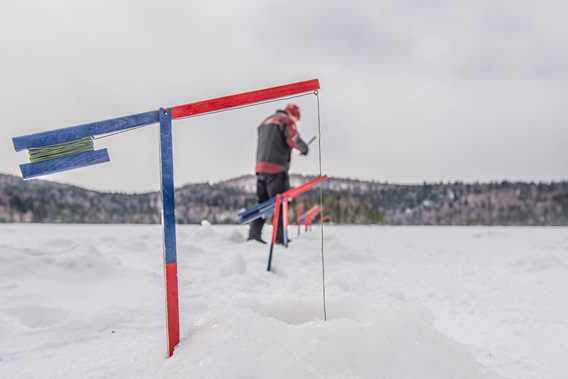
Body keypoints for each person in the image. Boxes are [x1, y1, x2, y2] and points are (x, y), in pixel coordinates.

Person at [248, 104, 309, 244]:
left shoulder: (266, 121)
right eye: (296, 119)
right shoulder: (285, 121)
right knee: (281, 204)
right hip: (276, 170)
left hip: (260, 168)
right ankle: (280, 238)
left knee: (262, 205)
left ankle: (253, 236)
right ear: (292, 114)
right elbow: (293, 139)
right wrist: (304, 149)